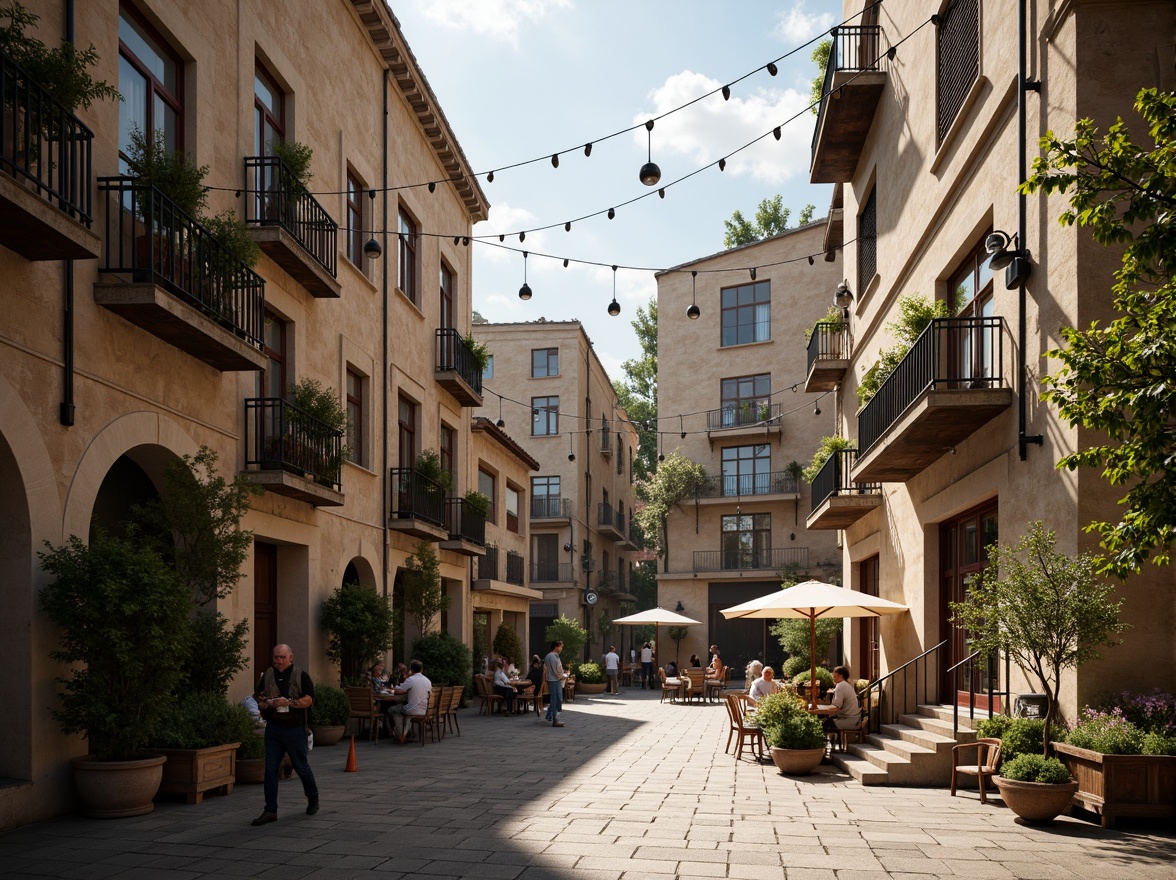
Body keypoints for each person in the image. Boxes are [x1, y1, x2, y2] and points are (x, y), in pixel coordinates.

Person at [251, 644, 319, 826]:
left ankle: (313, 798)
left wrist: (289, 702)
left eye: (282, 657)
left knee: (300, 766)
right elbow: (258, 695)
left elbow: (309, 699)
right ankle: (270, 810)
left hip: (294, 728)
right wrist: (264, 703)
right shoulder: (268, 674)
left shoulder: (300, 675)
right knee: (270, 769)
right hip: (273, 728)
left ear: (291, 657)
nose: (278, 661)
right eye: (276, 657)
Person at [387, 658, 432, 744]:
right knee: (405, 710)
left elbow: (400, 689)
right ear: (422, 669)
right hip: (425, 709)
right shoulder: (427, 681)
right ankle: (404, 733)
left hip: (412, 709)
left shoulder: (411, 679)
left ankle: (400, 734)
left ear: (411, 670)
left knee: (392, 709)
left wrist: (391, 688)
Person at [820, 665, 862, 732]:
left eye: (835, 676)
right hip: (854, 718)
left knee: (823, 725)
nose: (833, 677)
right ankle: (833, 741)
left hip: (849, 720)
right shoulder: (847, 685)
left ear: (841, 676)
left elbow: (836, 707)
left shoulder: (841, 686)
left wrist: (819, 709)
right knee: (827, 720)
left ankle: (827, 741)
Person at [543, 640, 567, 727]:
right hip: (554, 680)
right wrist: (561, 676)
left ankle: (550, 715)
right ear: (556, 647)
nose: (561, 648)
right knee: (556, 699)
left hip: (555, 679)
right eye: (560, 646)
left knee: (557, 698)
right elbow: (555, 669)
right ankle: (555, 719)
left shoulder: (554, 656)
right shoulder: (552, 657)